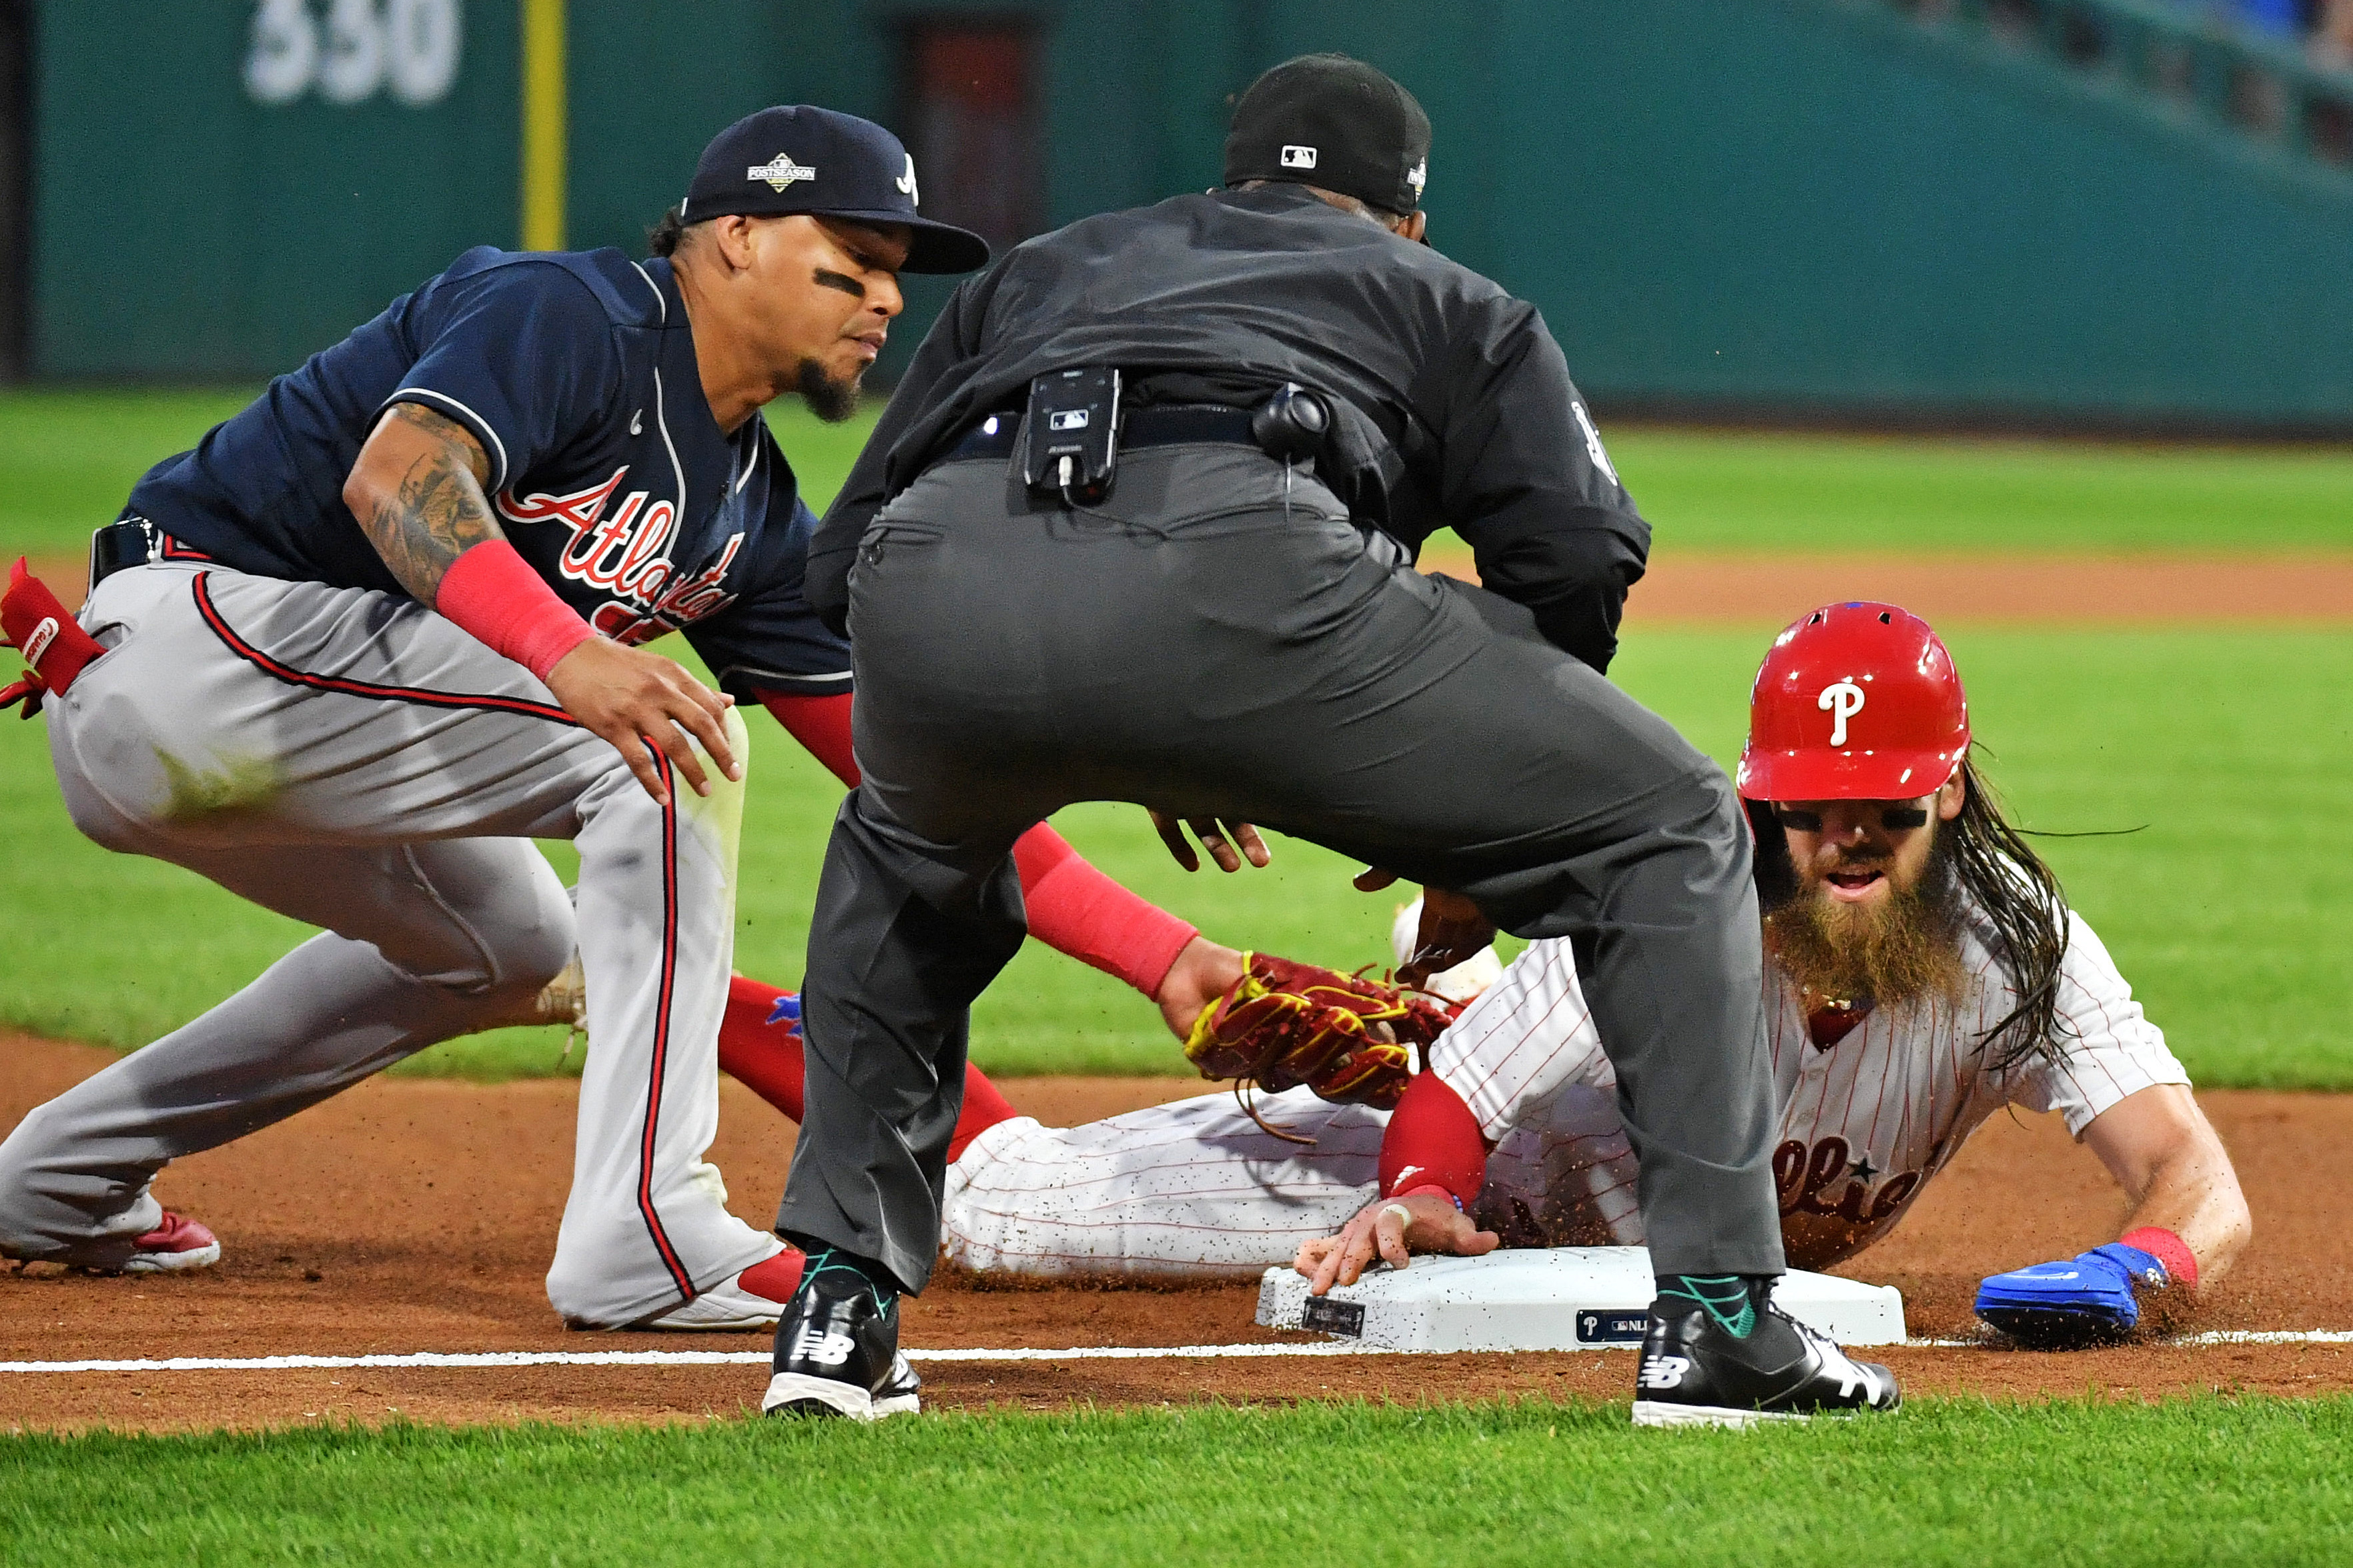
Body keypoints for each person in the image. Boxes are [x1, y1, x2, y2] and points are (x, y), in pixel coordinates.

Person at [763, 52, 1895, 1426]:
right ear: (1405, 215)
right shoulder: (1447, 295)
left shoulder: (1044, 266)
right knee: (1669, 821)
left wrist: (1114, 726)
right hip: (1251, 574)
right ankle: (1720, 1322)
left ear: (1231, 179)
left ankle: (838, 1312)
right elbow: (1579, 551)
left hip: (936, 583)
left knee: (904, 856)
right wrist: (1493, 827)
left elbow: (842, 563)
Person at [0, 103, 1233, 1339]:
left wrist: (1169, 960)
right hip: (187, 651)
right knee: (664, 738)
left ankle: (55, 1180)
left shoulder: (751, 506)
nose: (884, 304)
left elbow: (912, 766)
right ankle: (645, 1230)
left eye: (894, 281)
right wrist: (573, 655)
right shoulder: (575, 317)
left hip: (268, 728)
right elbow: (397, 478)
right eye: (850, 264)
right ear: (737, 236)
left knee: (511, 948)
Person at [717, 603, 2250, 1359]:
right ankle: (716, 1014)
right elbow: (1465, 1100)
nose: (1844, 840)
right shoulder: (1685, 882)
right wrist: (1413, 1187)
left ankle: (1421, 995)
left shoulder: (2011, 938)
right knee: (992, 1215)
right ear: (1755, 794)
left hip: (1588, 1157)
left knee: (1468, 1032)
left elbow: (2194, 1175)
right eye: (1808, 806)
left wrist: (2141, 1270)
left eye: (1885, 810)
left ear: (1953, 797)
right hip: (1492, 1166)